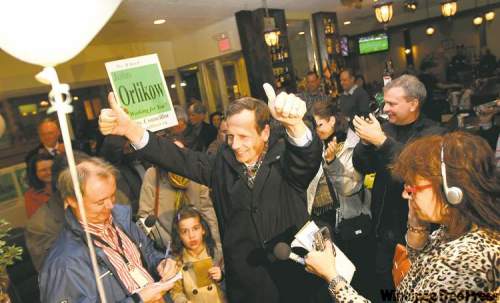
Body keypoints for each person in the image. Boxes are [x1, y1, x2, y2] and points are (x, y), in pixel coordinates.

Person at [99, 88, 326, 303]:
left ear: (264, 132)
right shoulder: (221, 166)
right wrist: (130, 129)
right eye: (230, 136)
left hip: (297, 281)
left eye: (244, 136)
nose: (235, 145)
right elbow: (176, 157)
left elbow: (306, 156)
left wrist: (295, 125)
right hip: (249, 290)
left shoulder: (285, 160)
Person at [304, 132, 500, 302]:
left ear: (451, 192)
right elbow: (421, 272)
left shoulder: (465, 264)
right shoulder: (456, 229)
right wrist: (417, 225)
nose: (406, 194)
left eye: (413, 187)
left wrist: (333, 278)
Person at [351, 74, 446, 298]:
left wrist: (381, 142)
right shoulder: (385, 129)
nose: (386, 108)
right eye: (385, 102)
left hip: (420, 234)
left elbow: (415, 168)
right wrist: (365, 142)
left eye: (392, 103)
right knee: (386, 290)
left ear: (413, 103)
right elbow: (362, 166)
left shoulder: (436, 133)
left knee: (416, 290)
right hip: (384, 230)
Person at [39, 157, 177, 302]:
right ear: (71, 201)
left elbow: (148, 251)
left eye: (112, 196)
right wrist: (138, 300)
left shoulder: (122, 219)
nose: (110, 206)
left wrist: (161, 263)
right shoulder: (64, 263)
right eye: (100, 202)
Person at [308, 100, 373, 298]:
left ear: (332, 121)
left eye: (320, 124)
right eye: (314, 126)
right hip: (325, 221)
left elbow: (350, 187)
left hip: (350, 218)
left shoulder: (352, 145)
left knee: (356, 277)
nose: (316, 130)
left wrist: (331, 162)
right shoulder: (317, 145)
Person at [25, 152, 130, 271]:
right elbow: (56, 274)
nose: (109, 204)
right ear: (65, 186)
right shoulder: (40, 226)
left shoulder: (114, 197)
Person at [137, 141, 222, 252]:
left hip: (199, 246)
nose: (176, 159)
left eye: (179, 154)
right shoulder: (153, 174)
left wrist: (216, 246)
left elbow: (207, 211)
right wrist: (174, 246)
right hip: (169, 247)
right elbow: (145, 215)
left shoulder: (196, 173)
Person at [170, 206, 225, 303]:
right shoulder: (177, 262)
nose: (191, 235)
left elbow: (235, 283)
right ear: (179, 236)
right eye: (184, 231)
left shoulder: (217, 253)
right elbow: (176, 292)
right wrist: (183, 301)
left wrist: (221, 277)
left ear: (203, 229)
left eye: (195, 228)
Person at [24, 153, 53, 218]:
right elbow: (37, 220)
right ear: (35, 173)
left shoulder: (66, 185)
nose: (49, 172)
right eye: (43, 170)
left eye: (52, 168)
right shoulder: (31, 195)